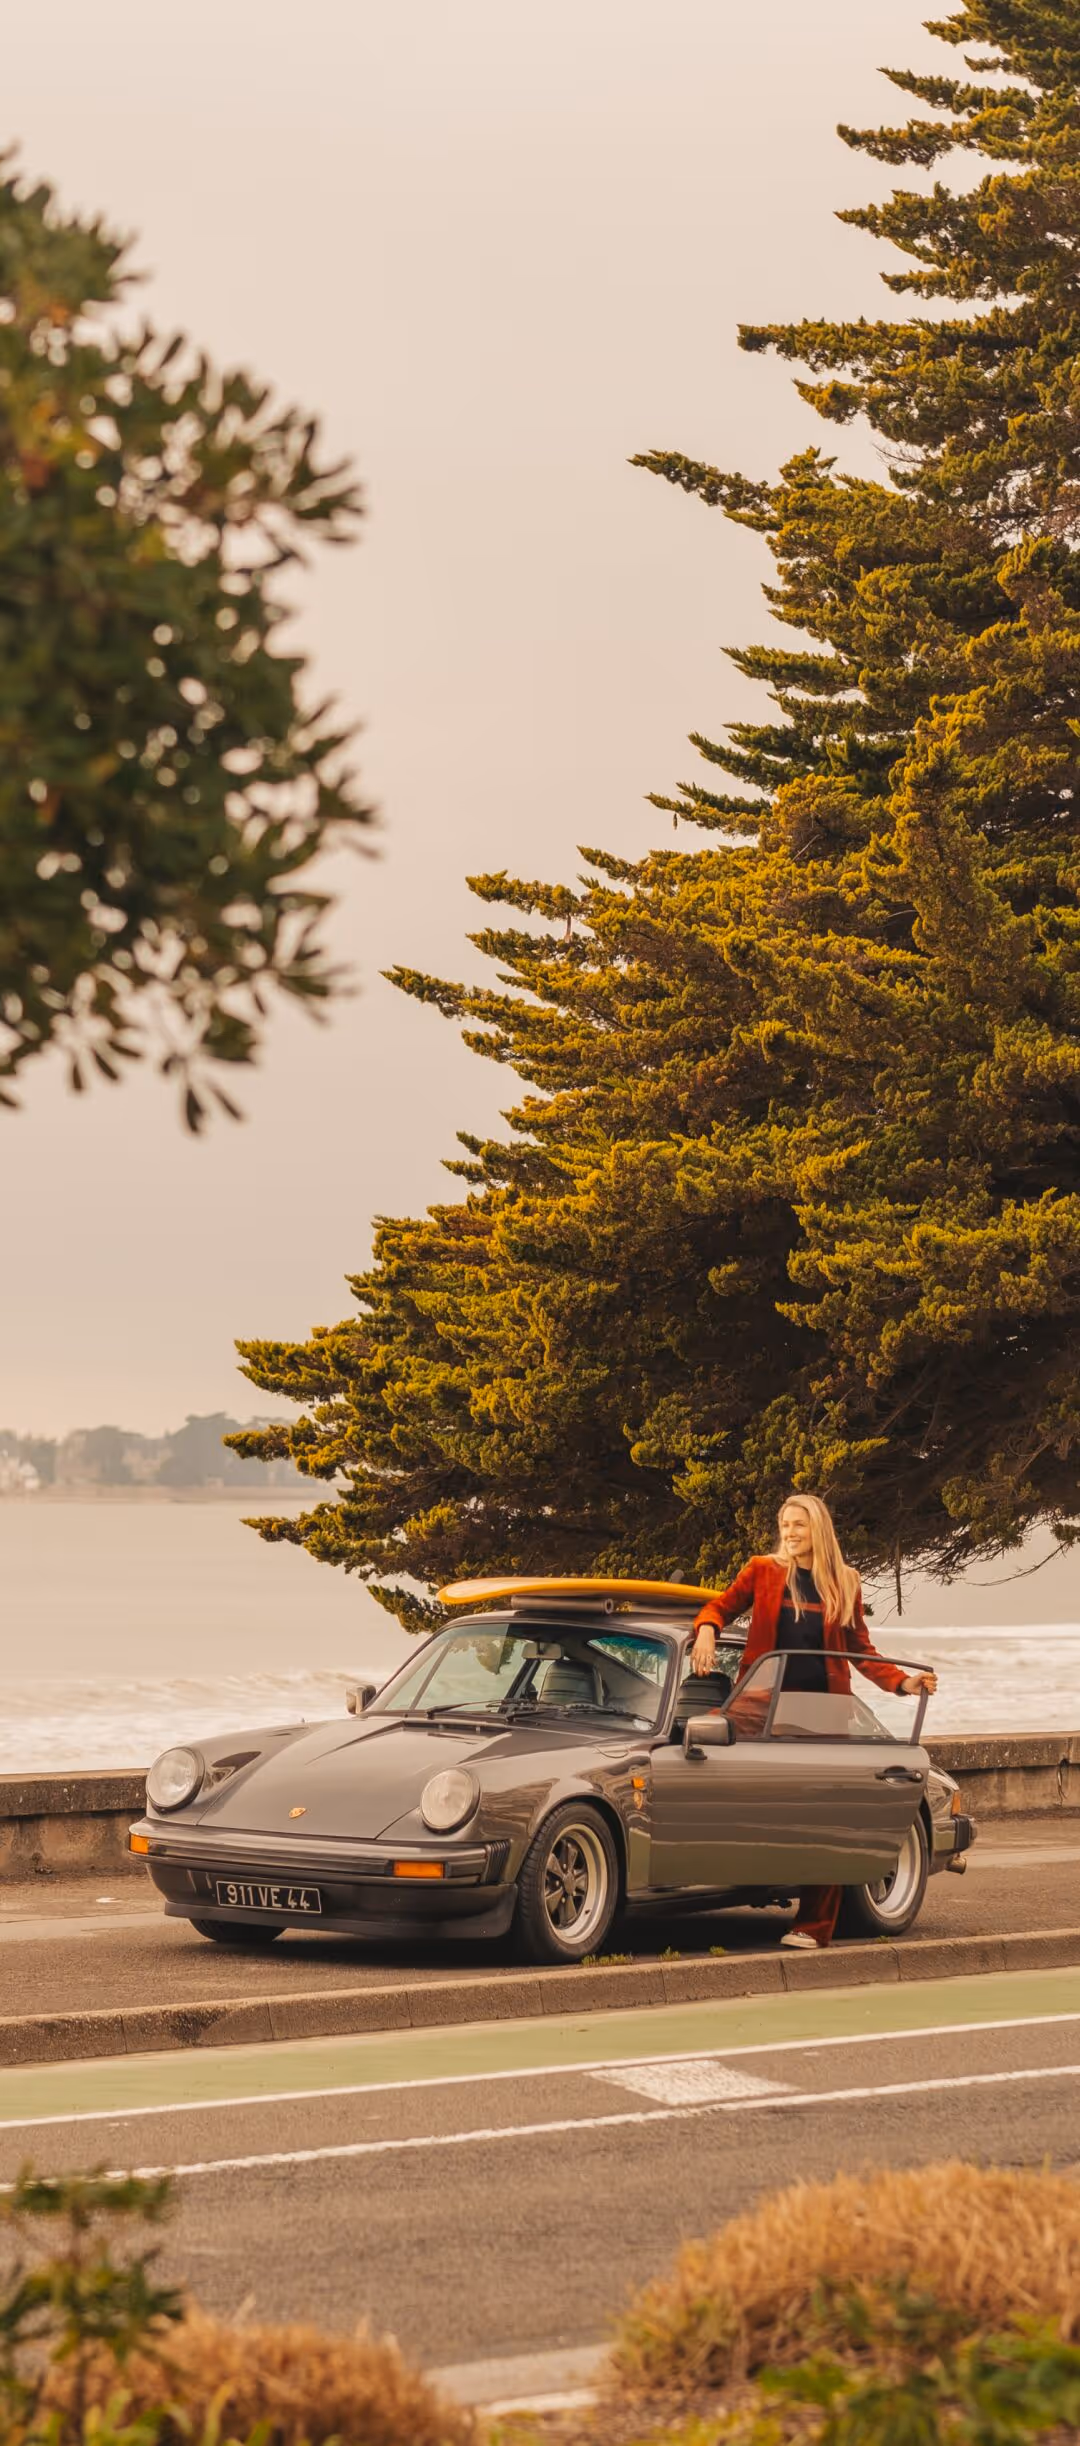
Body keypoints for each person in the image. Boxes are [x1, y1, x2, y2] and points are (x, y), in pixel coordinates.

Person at [690, 1494, 937, 1951]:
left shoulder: (845, 1581)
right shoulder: (761, 1570)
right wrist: (707, 1630)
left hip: (824, 1711)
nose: (789, 1532)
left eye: (798, 1525)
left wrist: (905, 1683)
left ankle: (813, 1925)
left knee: (827, 1811)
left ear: (817, 1529)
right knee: (704, 1749)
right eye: (784, 1524)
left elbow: (861, 1651)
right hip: (761, 1704)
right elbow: (719, 1607)